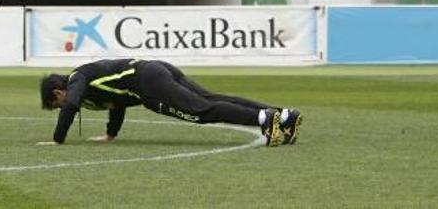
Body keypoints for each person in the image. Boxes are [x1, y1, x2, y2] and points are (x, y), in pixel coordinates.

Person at [38, 58, 302, 147]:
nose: (60, 106)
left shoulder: (77, 79)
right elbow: (116, 105)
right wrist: (110, 135)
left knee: (201, 111)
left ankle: (266, 121)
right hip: (154, 69)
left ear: (57, 92)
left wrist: (57, 139)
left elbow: (71, 104)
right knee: (210, 99)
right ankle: (283, 116)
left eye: (55, 103)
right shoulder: (87, 85)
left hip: (149, 81)